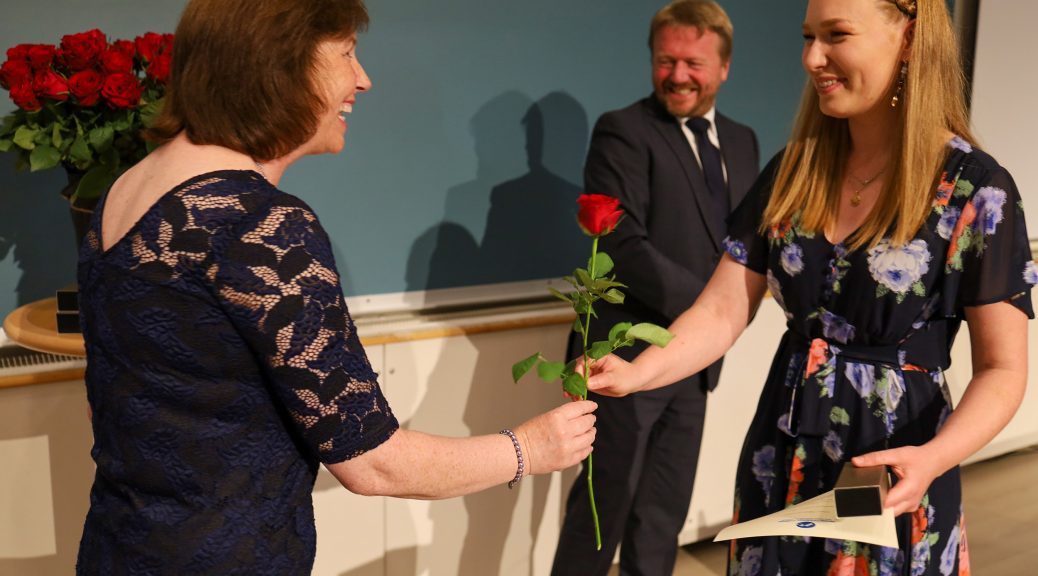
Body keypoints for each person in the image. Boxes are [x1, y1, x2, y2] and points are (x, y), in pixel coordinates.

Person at [73, 0, 597, 574]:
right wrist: (529, 449)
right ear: (281, 65)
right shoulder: (260, 224)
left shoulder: (128, 188)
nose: (363, 79)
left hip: (118, 547)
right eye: (347, 53)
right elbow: (374, 463)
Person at [585, 0, 1033, 573]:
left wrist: (934, 458)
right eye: (808, 37)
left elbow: (1002, 369)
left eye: (836, 35)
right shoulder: (795, 170)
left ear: (910, 40)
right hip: (782, 450)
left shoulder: (976, 188)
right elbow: (722, 309)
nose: (812, 58)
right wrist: (637, 372)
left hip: (890, 465)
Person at [551, 1, 759, 574]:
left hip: (694, 366)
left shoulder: (743, 141)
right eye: (666, 61)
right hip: (623, 357)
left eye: (694, 63)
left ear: (724, 67)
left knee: (663, 517)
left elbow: (746, 244)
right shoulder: (622, 131)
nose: (677, 75)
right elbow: (623, 244)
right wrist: (713, 314)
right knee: (600, 515)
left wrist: (709, 329)